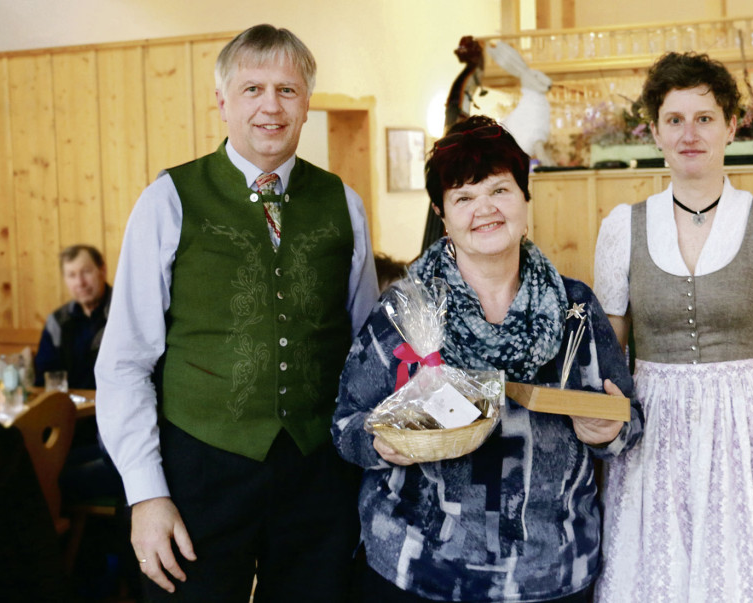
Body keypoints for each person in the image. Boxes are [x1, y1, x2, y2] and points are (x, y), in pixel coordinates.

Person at [95, 24, 379, 602]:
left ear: (306, 106)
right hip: (199, 469)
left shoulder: (344, 204)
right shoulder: (168, 200)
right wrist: (146, 494)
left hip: (317, 473)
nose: (270, 107)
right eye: (252, 90)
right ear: (222, 102)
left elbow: (365, 354)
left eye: (287, 90)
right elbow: (124, 361)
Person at [332, 115, 644, 603]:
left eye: (499, 190)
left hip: (551, 572)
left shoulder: (575, 310)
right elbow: (346, 425)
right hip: (419, 571)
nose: (485, 210)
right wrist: (380, 444)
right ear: (442, 210)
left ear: (524, 196)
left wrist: (611, 429)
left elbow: (629, 418)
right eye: (463, 197)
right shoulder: (405, 311)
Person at [592, 52, 753, 602]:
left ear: (731, 126)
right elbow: (605, 363)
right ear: (654, 131)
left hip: (748, 438)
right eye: (675, 119)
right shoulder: (622, 229)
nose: (690, 133)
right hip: (650, 443)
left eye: (705, 118)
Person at [34, 244, 111, 389]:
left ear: (103, 271)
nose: (80, 283)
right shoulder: (57, 322)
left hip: (118, 407)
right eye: (72, 275)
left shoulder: (122, 313)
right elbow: (45, 377)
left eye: (86, 272)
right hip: (70, 409)